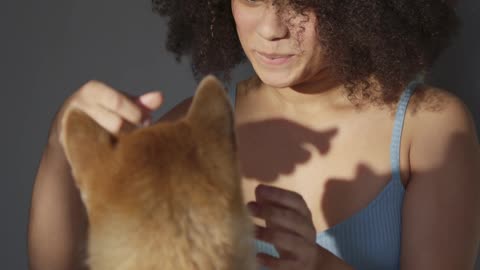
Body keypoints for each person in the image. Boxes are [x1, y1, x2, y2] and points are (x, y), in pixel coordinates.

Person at [28, 0, 480, 269]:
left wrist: (321, 265)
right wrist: (60, 145)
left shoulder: (429, 129)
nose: (271, 29)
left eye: (300, 1)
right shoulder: (196, 128)